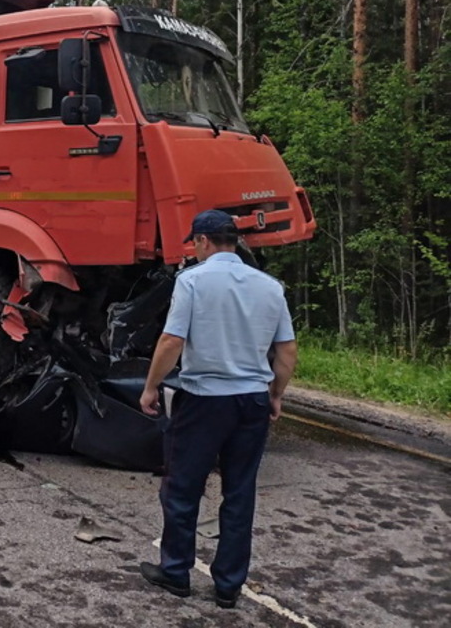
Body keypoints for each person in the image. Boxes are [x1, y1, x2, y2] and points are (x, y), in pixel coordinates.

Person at [137, 209, 298, 609]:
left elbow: (172, 341)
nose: (194, 249)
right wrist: (275, 394)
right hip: (251, 402)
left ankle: (176, 572)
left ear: (205, 242)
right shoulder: (270, 287)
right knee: (240, 493)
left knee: (183, 487)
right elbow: (287, 351)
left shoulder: (192, 281)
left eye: (194, 242)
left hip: (204, 400)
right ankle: (228, 585)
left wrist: (152, 386)